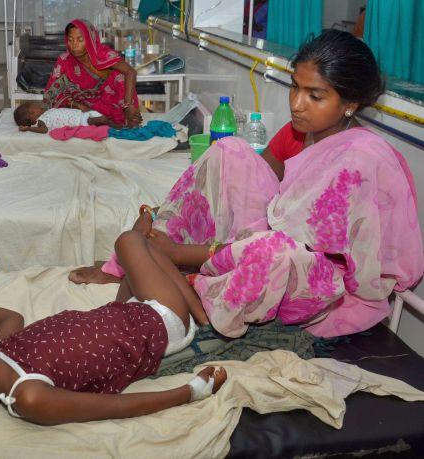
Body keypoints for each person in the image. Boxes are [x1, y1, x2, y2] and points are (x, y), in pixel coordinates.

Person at [70, 30, 423, 338]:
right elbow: (258, 179)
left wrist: (190, 252)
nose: (297, 105)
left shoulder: (357, 158)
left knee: (277, 252)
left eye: (315, 95)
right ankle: (149, 253)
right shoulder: (305, 132)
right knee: (230, 150)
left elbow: (294, 243)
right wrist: (163, 211)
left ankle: (182, 269)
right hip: (269, 242)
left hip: (322, 285)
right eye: (295, 88)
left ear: (350, 104)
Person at [0, 230, 226, 426]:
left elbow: (11, 319)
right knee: (131, 241)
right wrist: (192, 391)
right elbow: (116, 407)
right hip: (159, 322)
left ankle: (175, 281)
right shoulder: (29, 395)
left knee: (145, 242)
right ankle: (196, 312)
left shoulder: (2, 356)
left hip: (124, 312)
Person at [44, 19, 143, 128]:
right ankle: (101, 121)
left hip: (110, 102)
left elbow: (130, 72)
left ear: (90, 39)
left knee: (120, 76)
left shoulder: (103, 54)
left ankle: (128, 120)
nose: (74, 45)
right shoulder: (65, 61)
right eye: (70, 40)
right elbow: (51, 95)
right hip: (83, 107)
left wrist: (127, 106)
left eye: (80, 39)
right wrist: (77, 105)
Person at [14, 100, 119, 133]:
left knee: (96, 114)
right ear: (32, 112)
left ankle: (118, 126)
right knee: (94, 120)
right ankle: (104, 121)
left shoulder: (47, 112)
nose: (39, 107)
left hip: (79, 114)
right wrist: (29, 128)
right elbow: (43, 130)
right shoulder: (41, 121)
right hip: (77, 121)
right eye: (36, 107)